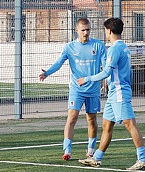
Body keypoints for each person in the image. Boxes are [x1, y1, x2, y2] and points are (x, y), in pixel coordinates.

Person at [78, 17, 145, 170]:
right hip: (114, 93)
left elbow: (106, 72)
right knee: (106, 125)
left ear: (109, 31)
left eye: (105, 30)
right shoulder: (124, 47)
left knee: (130, 124)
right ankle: (96, 157)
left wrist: (87, 79)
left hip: (118, 93)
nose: (105, 33)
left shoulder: (115, 49)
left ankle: (142, 159)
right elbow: (128, 72)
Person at [39, 18, 106, 161]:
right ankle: (67, 150)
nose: (86, 33)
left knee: (91, 120)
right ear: (77, 31)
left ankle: (90, 150)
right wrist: (47, 73)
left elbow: (106, 67)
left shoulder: (98, 46)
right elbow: (59, 63)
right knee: (71, 118)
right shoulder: (70, 47)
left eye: (88, 29)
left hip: (93, 89)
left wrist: (107, 81)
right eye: (83, 30)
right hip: (77, 89)